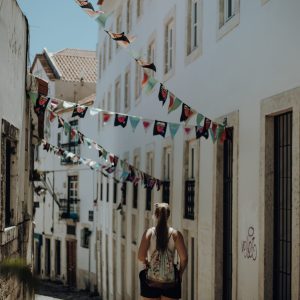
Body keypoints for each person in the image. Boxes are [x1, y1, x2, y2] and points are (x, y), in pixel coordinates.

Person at [138, 203, 188, 300]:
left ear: (155, 215)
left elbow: (140, 256)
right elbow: (184, 258)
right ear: (168, 215)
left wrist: (146, 262)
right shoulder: (176, 234)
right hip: (170, 283)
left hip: (151, 281)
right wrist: (180, 274)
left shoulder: (149, 233)